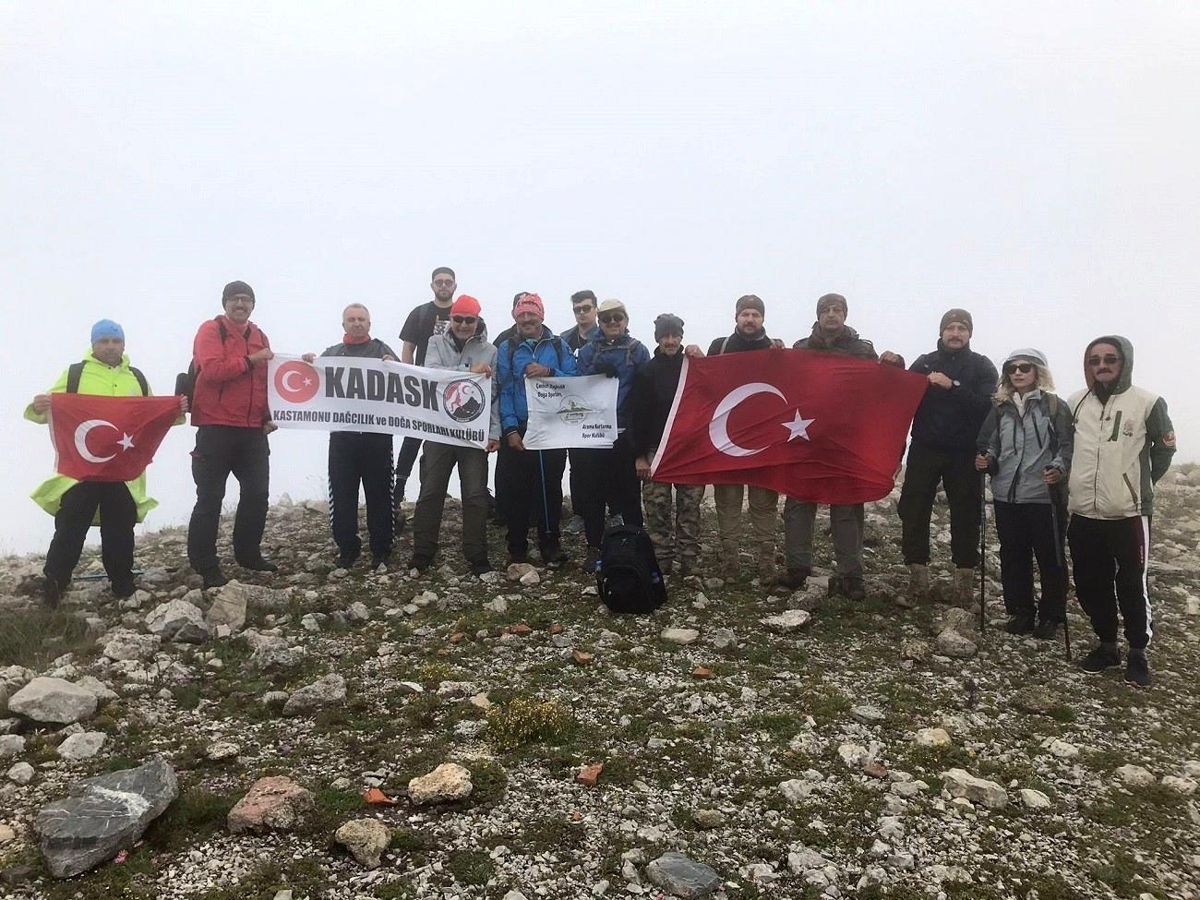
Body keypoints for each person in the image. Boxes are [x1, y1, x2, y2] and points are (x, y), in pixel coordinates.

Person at [26, 320, 185, 606]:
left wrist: (176, 410)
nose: (110, 346)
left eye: (115, 341)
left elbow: (153, 415)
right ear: (93, 344)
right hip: (82, 470)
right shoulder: (74, 374)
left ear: (123, 344)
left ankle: (122, 583)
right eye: (104, 341)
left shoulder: (136, 378)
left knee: (120, 527)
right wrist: (37, 406)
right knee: (71, 525)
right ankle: (54, 582)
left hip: (122, 472)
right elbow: (48, 409)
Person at [1066, 336, 1175, 687]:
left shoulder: (1147, 402)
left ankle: (1138, 651)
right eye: (1095, 359)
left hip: (1128, 511)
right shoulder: (1075, 403)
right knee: (1089, 582)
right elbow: (1065, 446)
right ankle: (1107, 643)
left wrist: (1139, 484)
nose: (1102, 365)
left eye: (1110, 358)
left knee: (1131, 583)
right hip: (1084, 509)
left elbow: (1164, 450)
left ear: (1124, 360)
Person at [782, 293, 903, 599]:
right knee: (798, 503)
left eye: (837, 310)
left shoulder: (863, 350)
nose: (831, 315)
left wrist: (894, 364)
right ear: (818, 315)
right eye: (826, 310)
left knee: (847, 507)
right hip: (806, 437)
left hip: (846, 440)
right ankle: (797, 568)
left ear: (845, 315)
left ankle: (851, 575)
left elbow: (881, 388)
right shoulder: (800, 349)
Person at [893, 309, 997, 606]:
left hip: (965, 451)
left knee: (966, 515)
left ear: (969, 334)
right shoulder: (925, 362)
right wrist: (890, 367)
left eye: (961, 328)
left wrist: (952, 386)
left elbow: (987, 407)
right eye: (950, 327)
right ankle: (918, 582)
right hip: (925, 448)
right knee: (913, 510)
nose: (955, 333)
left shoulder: (981, 366)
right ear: (941, 332)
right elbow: (899, 397)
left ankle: (963, 588)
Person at [975, 349, 1073, 638]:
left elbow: (1066, 445)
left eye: (1024, 367)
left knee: (1051, 557)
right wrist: (986, 460)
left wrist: (1058, 468)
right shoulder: (1000, 408)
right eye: (1012, 368)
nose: (1017, 373)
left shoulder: (1054, 406)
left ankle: (1051, 616)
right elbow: (988, 443)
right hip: (1007, 495)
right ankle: (1021, 612)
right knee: (1013, 556)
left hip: (1044, 496)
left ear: (1038, 372)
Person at [187, 280, 275, 588]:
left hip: (252, 430)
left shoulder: (260, 335)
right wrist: (250, 360)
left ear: (253, 305)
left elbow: (265, 381)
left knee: (257, 495)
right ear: (225, 303)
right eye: (235, 299)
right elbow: (211, 371)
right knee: (210, 498)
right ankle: (205, 563)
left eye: (246, 300)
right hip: (215, 427)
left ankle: (248, 553)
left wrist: (268, 416)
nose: (241, 304)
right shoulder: (211, 331)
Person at [302, 304, 398, 571]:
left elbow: (404, 384)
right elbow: (312, 384)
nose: (357, 324)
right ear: (343, 324)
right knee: (343, 496)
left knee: (380, 496)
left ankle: (381, 550)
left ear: (370, 323)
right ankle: (347, 549)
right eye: (351, 319)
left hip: (377, 438)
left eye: (362, 319)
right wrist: (307, 364)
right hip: (342, 439)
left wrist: (395, 367)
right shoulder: (331, 354)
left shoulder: (382, 350)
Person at [409, 295, 500, 575]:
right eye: (458, 319)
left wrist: (494, 431)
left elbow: (493, 394)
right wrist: (467, 372)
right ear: (451, 319)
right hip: (439, 431)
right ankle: (423, 552)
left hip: (473, 434)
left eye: (468, 320)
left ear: (477, 321)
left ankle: (477, 555)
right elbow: (431, 374)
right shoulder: (435, 343)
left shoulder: (491, 350)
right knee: (431, 491)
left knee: (475, 495)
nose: (462, 324)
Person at [704, 294, 784, 583]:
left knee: (764, 501)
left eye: (755, 315)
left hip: (764, 439)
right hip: (727, 438)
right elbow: (702, 384)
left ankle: (766, 561)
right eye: (745, 314)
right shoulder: (720, 347)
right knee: (728, 500)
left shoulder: (775, 349)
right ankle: (730, 560)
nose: (749, 319)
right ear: (736, 317)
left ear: (762, 319)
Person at [496, 293, 577, 566]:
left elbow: (576, 380)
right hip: (519, 426)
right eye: (522, 314)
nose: (527, 318)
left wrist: (549, 372)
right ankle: (516, 546)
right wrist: (509, 429)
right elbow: (505, 390)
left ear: (541, 315)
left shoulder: (558, 346)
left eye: (532, 313)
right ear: (515, 317)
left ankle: (550, 543)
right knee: (515, 490)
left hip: (552, 427)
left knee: (549, 488)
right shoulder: (507, 348)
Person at [575, 299, 651, 570]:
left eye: (617, 318)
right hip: (594, 434)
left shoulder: (638, 350)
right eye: (606, 319)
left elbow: (645, 394)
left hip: (624, 433)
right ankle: (594, 547)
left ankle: (634, 546)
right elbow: (577, 386)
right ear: (600, 322)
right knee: (592, 495)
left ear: (626, 320)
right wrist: (593, 377)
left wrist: (639, 441)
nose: (612, 323)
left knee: (629, 494)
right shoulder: (586, 353)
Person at [632, 314, 704, 577]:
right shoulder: (646, 372)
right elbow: (637, 416)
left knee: (690, 509)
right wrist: (639, 455)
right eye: (666, 336)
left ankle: (689, 561)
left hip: (689, 450)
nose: (671, 341)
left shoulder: (694, 366)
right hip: (655, 450)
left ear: (682, 337)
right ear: (658, 338)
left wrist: (703, 358)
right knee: (657, 509)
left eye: (675, 336)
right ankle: (661, 560)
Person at [394, 266, 457, 513]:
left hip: (452, 392)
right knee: (412, 437)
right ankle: (397, 490)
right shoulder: (420, 313)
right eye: (439, 281)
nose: (443, 285)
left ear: (455, 285)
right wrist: (409, 376)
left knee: (442, 441)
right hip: (421, 386)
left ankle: (430, 490)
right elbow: (408, 347)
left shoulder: (462, 313)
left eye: (448, 282)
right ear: (432, 285)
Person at [560, 289, 599, 536]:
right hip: (573, 409)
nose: (582, 313)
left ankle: (612, 511)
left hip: (601, 410)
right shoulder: (564, 340)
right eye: (577, 309)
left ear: (595, 309)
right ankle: (580, 513)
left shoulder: (606, 335)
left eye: (586, 308)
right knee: (577, 464)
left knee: (605, 463)